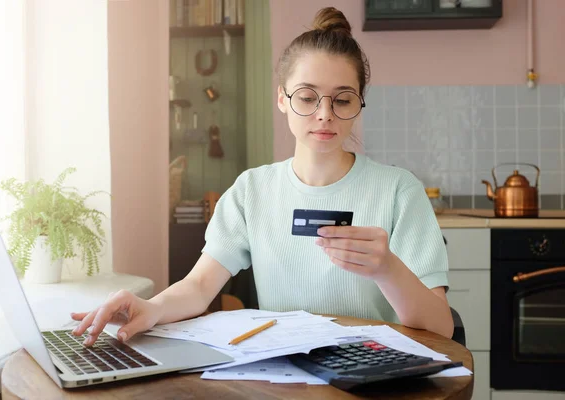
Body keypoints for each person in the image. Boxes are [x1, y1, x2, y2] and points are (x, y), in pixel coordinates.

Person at [72, 7, 453, 347]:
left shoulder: (399, 191)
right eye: (307, 97)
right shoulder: (252, 190)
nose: (324, 114)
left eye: (342, 99)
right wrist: (149, 307)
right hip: (285, 373)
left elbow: (441, 327)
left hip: (374, 378)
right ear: (282, 99)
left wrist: (387, 269)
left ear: (359, 103)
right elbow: (200, 286)